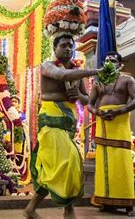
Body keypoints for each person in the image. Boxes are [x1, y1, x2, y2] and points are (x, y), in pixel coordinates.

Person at [24, 35, 101, 218]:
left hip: (67, 123)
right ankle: (69, 210)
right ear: (55, 48)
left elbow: (86, 100)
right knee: (69, 162)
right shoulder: (48, 66)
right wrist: (95, 70)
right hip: (51, 121)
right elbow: (63, 75)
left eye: (71, 46)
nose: (68, 49)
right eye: (64, 45)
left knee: (55, 167)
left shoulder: (76, 72)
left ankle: (30, 209)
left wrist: (77, 96)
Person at [87, 51, 135, 216]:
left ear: (120, 64)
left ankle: (128, 204)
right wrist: (97, 112)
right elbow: (90, 104)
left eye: (113, 60)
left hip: (120, 122)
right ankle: (105, 200)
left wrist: (119, 112)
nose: (110, 63)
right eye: (107, 60)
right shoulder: (98, 83)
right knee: (104, 162)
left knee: (121, 161)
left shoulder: (127, 79)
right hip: (103, 121)